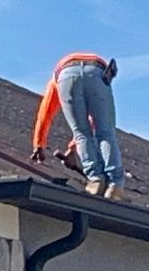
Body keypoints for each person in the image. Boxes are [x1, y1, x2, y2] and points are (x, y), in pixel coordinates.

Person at [31, 52, 124, 199]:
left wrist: (39, 144)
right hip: (97, 71)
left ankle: (95, 180)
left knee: (80, 132)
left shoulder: (54, 81)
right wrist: (71, 149)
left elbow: (45, 111)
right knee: (105, 133)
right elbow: (94, 122)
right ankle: (115, 186)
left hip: (66, 74)